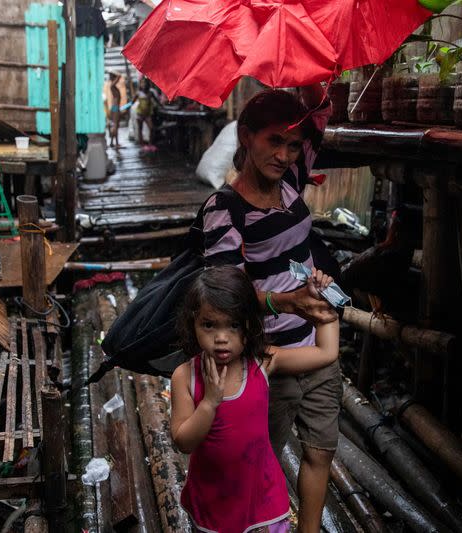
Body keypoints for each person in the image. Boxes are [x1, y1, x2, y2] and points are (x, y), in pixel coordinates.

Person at [199, 85, 339, 532]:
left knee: (320, 451)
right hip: (267, 359)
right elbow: (227, 297)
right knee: (259, 462)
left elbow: (318, 120)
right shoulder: (224, 210)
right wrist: (283, 301)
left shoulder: (293, 182)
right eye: (273, 141)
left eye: (292, 145)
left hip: (316, 340)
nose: (284, 155)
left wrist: (316, 84)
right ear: (245, 136)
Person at [171, 266, 340, 533]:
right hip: (213, 501)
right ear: (193, 323)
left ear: (250, 324)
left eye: (233, 325)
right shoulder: (185, 376)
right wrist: (210, 402)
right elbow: (183, 441)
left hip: (263, 497)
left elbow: (325, 352)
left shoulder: (261, 363)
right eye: (209, 325)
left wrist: (326, 308)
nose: (221, 338)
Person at [132, 77, 157, 150]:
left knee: (152, 128)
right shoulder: (138, 93)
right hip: (140, 114)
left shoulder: (150, 93)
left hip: (148, 114)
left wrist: (163, 107)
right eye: (142, 83)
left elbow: (157, 102)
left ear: (147, 84)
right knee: (140, 129)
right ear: (140, 84)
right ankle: (142, 145)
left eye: (145, 83)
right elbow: (132, 102)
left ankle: (150, 144)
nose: (144, 84)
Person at [107, 72, 122, 148]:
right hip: (115, 107)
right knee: (115, 125)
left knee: (115, 125)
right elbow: (119, 76)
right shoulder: (112, 85)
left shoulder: (113, 86)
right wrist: (115, 74)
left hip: (115, 107)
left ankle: (112, 142)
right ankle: (116, 143)